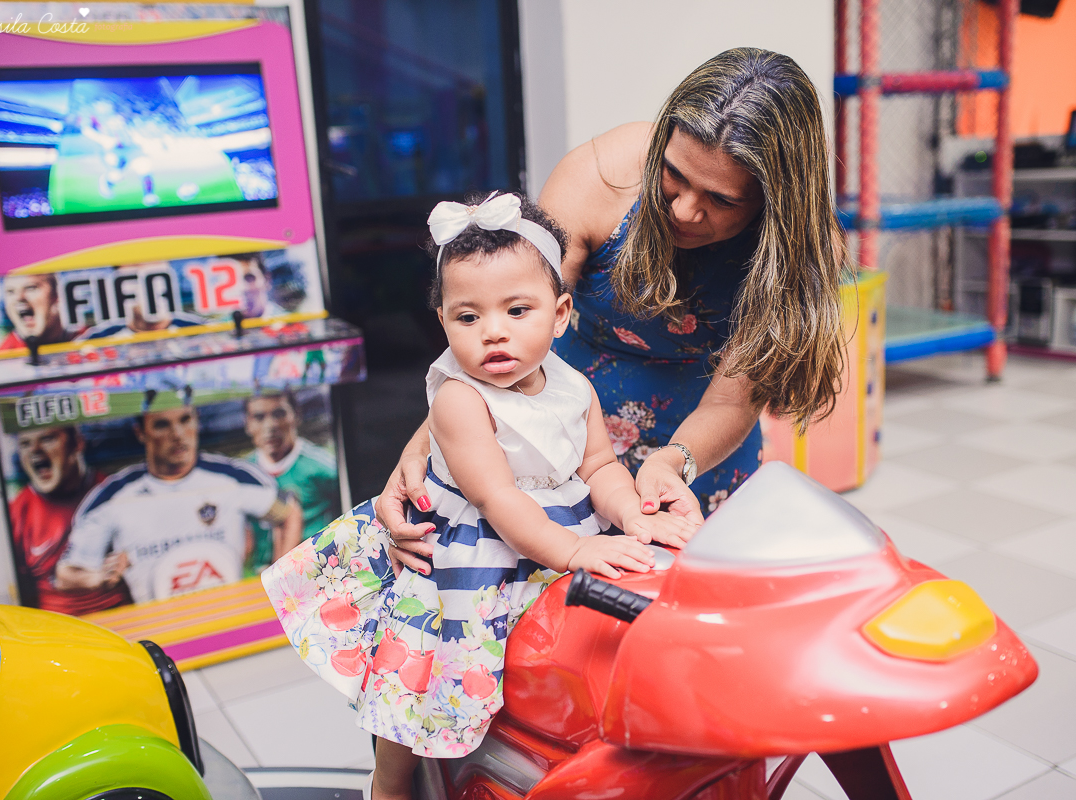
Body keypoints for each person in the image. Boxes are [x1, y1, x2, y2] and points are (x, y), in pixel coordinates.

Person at [261, 193, 693, 800]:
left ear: (561, 312)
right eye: (468, 317)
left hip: (548, 540)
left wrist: (632, 517)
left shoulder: (575, 387)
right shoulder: (460, 400)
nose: (493, 332)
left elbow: (600, 465)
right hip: (471, 561)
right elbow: (497, 500)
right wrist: (574, 552)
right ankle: (389, 785)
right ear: (443, 323)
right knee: (418, 684)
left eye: (518, 310)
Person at [383, 47, 850, 572]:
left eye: (720, 200)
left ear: (774, 200)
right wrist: (426, 448)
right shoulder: (599, 180)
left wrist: (674, 463)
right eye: (673, 176)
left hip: (698, 451)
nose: (683, 210)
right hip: (561, 443)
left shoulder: (802, 249)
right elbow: (505, 325)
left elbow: (732, 402)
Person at [56, 401, 303, 603]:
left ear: (196, 422)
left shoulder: (233, 477)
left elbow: (289, 512)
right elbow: (66, 574)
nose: (177, 435)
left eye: (185, 420)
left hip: (231, 617)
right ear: (141, 433)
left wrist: (276, 579)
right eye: (162, 425)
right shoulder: (112, 496)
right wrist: (97, 576)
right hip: (161, 630)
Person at [8, 425, 130, 614]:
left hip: (122, 622)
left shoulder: (114, 493)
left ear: (77, 443)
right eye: (25, 443)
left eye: (47, 439)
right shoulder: (18, 512)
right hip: (60, 632)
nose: (35, 450)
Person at [243, 391, 341, 575]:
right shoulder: (243, 473)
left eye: (279, 414)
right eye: (259, 417)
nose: (270, 425)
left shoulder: (325, 468)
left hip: (315, 573)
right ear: (247, 424)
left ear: (296, 415)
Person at [0, 274, 77, 353]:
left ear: (56, 295)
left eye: (30, 288)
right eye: (10, 292)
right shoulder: (1, 358)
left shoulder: (86, 338)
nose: (19, 298)